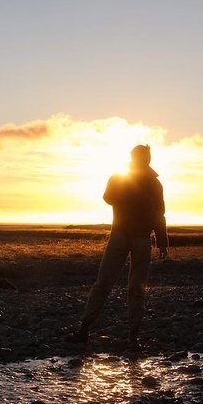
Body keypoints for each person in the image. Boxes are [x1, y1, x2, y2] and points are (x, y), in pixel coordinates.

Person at [65, 145, 169, 351]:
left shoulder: (153, 184)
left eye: (145, 157)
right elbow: (108, 197)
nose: (144, 160)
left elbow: (159, 213)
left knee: (133, 287)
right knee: (106, 282)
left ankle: (131, 336)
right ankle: (87, 330)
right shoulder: (123, 178)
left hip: (137, 239)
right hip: (123, 236)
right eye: (142, 157)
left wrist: (162, 240)